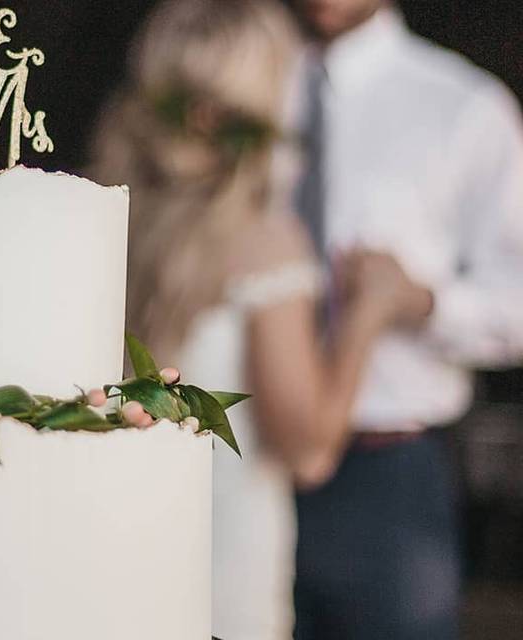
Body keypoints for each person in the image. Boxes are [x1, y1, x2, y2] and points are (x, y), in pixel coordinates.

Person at [89, 1, 414, 637]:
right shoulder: (264, 242)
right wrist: (369, 312)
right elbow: (310, 451)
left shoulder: (102, 217)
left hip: (115, 573)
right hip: (220, 587)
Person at [287, 0, 523, 637]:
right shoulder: (236, 87)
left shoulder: (465, 106)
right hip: (238, 460)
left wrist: (420, 301)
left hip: (387, 477)